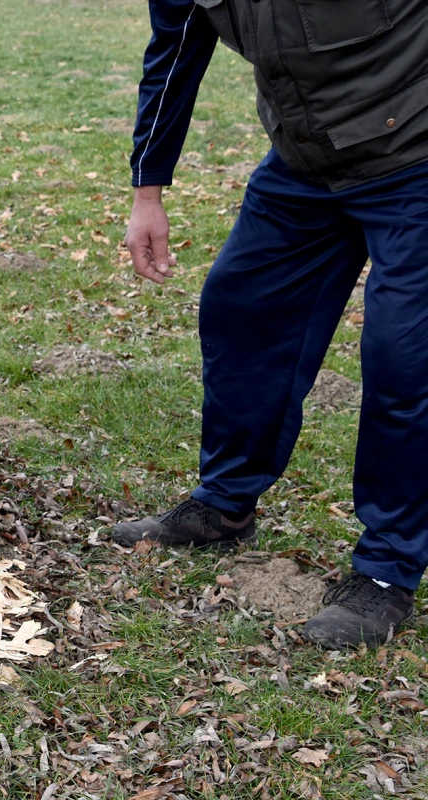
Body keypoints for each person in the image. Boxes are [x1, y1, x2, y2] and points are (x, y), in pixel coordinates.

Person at [115, 0, 428, 649]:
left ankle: (387, 571)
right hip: (306, 165)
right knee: (242, 309)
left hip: (415, 157)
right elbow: (173, 54)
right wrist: (148, 192)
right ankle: (225, 504)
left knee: (406, 357)